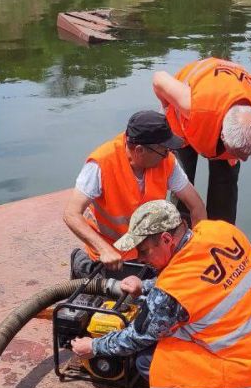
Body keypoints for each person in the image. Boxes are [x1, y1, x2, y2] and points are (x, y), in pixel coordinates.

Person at [71, 200, 251, 388]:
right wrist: (147, 285)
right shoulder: (220, 230)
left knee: (148, 361)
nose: (140, 259)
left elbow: (138, 336)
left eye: (144, 251)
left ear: (166, 240)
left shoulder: (174, 290)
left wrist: (94, 346)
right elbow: (203, 277)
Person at [152, 58, 251, 263]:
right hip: (185, 125)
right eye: (239, 153)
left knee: (225, 187)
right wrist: (167, 114)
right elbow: (159, 79)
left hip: (222, 114)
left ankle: (220, 247)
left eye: (249, 154)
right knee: (183, 185)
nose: (243, 160)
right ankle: (179, 249)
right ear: (224, 137)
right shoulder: (194, 105)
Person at [63, 110, 206, 278]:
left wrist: (197, 251)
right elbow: (71, 214)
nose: (168, 155)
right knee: (127, 295)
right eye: (163, 150)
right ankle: (83, 264)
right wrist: (104, 250)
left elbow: (196, 206)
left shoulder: (166, 162)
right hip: (115, 253)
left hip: (151, 248)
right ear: (140, 150)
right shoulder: (102, 164)